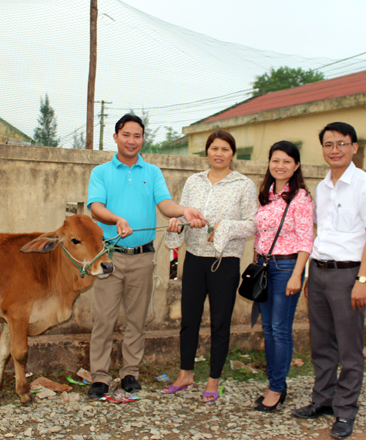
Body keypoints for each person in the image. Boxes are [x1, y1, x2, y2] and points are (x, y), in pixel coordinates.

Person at [86, 113, 206, 399]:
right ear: (115, 137)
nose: (131, 140)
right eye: (126, 135)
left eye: (137, 135)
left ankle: (130, 373)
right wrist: (115, 219)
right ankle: (100, 377)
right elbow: (95, 207)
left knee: (137, 319)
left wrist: (183, 211)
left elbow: (165, 204)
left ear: (143, 139)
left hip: (143, 257)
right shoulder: (101, 172)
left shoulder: (152, 172)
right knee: (103, 319)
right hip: (109, 256)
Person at [292, 122, 366, 440]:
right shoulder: (322, 186)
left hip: (348, 275)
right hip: (318, 273)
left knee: (349, 348)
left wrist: (362, 279)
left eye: (341, 144)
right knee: (321, 344)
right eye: (329, 144)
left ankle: (345, 412)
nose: (335, 149)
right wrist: (308, 275)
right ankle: (323, 400)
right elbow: (318, 233)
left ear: (354, 147)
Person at [162, 130, 257, 403]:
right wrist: (176, 223)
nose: (219, 153)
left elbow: (252, 224)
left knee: (220, 323)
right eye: (214, 148)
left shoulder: (243, 185)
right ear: (207, 151)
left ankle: (214, 380)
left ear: (232, 153)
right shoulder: (194, 182)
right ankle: (185, 374)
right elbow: (182, 215)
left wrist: (225, 227)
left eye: (225, 149)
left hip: (224, 263)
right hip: (194, 258)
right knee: (188, 320)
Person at [252, 141, 314, 412]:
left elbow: (306, 239)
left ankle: (276, 387)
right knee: (268, 329)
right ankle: (275, 382)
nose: (280, 166)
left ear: (296, 166)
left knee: (280, 329)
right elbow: (259, 233)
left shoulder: (301, 198)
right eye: (275, 160)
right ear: (269, 163)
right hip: (264, 266)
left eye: (287, 161)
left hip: (287, 268)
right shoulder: (265, 195)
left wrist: (297, 275)